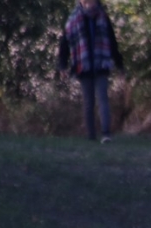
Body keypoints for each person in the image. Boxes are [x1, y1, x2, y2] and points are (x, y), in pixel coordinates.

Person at [57, 0, 124, 143]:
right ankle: (91, 135)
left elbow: (112, 41)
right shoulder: (73, 20)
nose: (88, 2)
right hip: (83, 65)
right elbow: (65, 44)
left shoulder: (103, 17)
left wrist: (119, 64)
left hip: (101, 63)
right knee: (88, 101)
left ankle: (106, 134)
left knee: (103, 99)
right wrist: (62, 65)